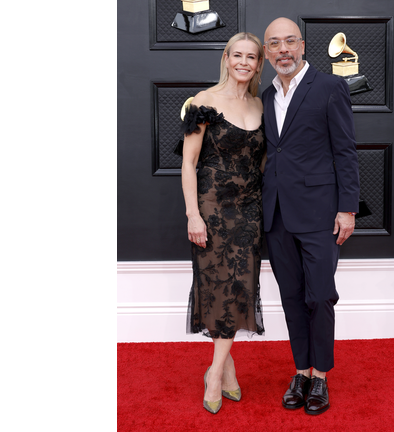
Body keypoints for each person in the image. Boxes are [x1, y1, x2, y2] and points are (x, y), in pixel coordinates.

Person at [261, 17, 360, 416]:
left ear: (301, 45)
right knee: (290, 298)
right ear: (267, 53)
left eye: (289, 41)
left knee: (319, 296)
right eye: (274, 44)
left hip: (321, 213)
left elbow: (346, 151)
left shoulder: (331, 87)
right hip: (278, 214)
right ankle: (300, 372)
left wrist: (348, 208)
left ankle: (320, 376)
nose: (283, 49)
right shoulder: (266, 95)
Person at [179, 32, 266, 415]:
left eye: (251, 57)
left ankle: (218, 368)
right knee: (215, 287)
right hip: (211, 206)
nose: (244, 62)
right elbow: (188, 162)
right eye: (238, 55)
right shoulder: (204, 102)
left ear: (258, 63)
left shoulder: (263, 105)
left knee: (240, 285)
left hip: (250, 209)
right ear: (226, 58)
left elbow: (264, 162)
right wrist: (192, 214)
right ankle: (219, 374)